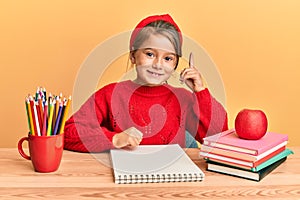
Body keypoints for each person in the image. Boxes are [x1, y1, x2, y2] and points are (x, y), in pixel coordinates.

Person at [64, 14, 228, 152]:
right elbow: (69, 132)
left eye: (168, 58)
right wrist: (114, 138)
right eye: (150, 54)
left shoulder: (183, 99)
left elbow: (219, 139)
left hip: (173, 184)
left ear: (175, 64)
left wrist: (200, 92)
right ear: (133, 56)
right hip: (123, 183)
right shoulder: (110, 94)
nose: (157, 64)